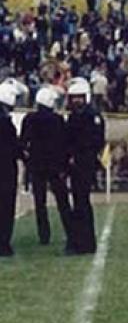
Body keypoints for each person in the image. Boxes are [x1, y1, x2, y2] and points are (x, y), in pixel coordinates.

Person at [20, 86, 74, 248]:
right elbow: (65, 144)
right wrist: (65, 166)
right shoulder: (57, 120)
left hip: (36, 165)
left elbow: (23, 143)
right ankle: (70, 231)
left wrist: (27, 161)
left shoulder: (29, 119)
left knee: (40, 202)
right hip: (55, 166)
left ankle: (44, 235)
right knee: (62, 201)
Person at [64, 77, 105, 255]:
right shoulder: (76, 116)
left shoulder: (91, 116)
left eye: (79, 97)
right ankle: (82, 241)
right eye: (74, 98)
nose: (76, 101)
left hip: (84, 163)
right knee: (80, 202)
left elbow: (96, 141)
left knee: (82, 203)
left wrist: (78, 154)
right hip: (77, 164)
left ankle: (84, 242)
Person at [0, 83, 22, 257]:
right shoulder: (6, 123)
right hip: (6, 170)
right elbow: (13, 147)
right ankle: (3, 244)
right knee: (6, 208)